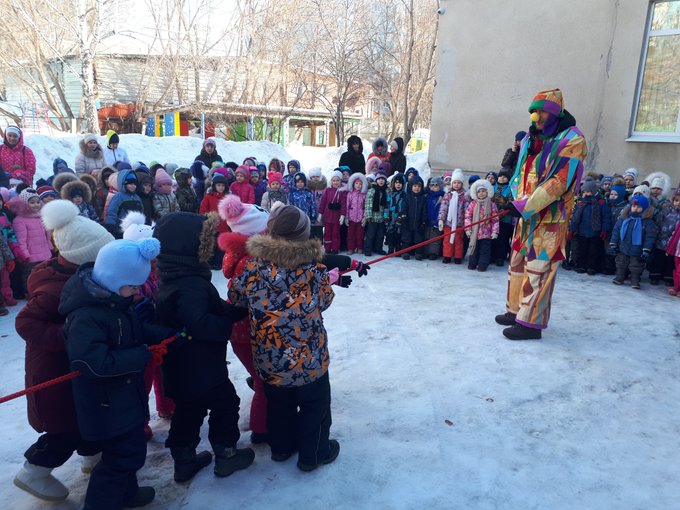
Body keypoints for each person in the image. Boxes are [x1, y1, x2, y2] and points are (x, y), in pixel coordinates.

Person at [59, 238, 170, 510]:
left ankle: (127, 494)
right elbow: (93, 363)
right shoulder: (87, 316)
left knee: (130, 451)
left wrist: (166, 335)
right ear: (112, 279)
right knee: (120, 458)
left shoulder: (116, 303)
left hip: (123, 397)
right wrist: (142, 354)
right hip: (105, 404)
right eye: (132, 286)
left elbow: (136, 331)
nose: (136, 292)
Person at [14, 200, 113, 503]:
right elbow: (25, 323)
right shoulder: (55, 290)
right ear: (84, 257)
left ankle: (94, 456)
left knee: (86, 415)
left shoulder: (75, 277)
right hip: (53, 370)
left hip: (74, 366)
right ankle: (35, 470)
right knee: (65, 426)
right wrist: (69, 335)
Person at [228, 203, 340, 472]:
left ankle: (281, 449)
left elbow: (236, 296)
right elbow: (325, 300)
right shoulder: (315, 270)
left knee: (279, 407)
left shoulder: (252, 266)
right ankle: (313, 455)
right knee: (315, 408)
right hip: (310, 360)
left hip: (271, 358)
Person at [153, 212, 254, 482]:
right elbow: (201, 323)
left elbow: (207, 306)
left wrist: (236, 310)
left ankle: (184, 461)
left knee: (188, 409)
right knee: (226, 404)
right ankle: (227, 455)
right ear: (188, 245)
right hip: (201, 366)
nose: (209, 245)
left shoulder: (175, 275)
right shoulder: (190, 284)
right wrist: (227, 324)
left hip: (180, 366)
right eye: (205, 240)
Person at [496, 88, 587, 340]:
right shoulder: (530, 137)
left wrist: (525, 205)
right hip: (525, 216)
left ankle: (530, 323)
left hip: (550, 218)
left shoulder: (573, 140)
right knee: (517, 264)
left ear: (555, 113)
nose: (535, 117)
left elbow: (559, 182)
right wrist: (510, 198)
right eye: (533, 111)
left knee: (539, 269)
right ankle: (515, 310)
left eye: (541, 112)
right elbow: (520, 172)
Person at [217, 196, 271, 446]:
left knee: (260, 376)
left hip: (241, 330)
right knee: (264, 383)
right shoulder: (253, 262)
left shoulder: (238, 254)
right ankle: (262, 430)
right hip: (252, 330)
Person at [609, 195, 657, 289]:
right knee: (621, 263)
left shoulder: (647, 222)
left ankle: (635, 280)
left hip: (637, 249)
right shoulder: (624, 218)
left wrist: (646, 249)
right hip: (623, 247)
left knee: (636, 266)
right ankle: (619, 277)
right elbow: (616, 231)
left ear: (644, 209)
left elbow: (650, 237)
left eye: (638, 207)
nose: (635, 208)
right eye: (634, 206)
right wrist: (613, 243)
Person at [10, 189, 53, 293]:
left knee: (44, 275)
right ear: (24, 204)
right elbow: (21, 240)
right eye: (32, 202)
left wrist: (50, 247)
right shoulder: (19, 220)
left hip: (45, 253)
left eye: (38, 202)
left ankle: (42, 292)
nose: (36, 205)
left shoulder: (40, 217)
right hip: (31, 256)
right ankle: (30, 293)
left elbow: (46, 235)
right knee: (30, 276)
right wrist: (25, 255)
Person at [567, 178, 611, 275]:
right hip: (582, 232)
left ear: (593, 191)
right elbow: (575, 217)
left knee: (593, 251)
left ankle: (592, 267)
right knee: (582, 250)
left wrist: (604, 230)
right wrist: (572, 229)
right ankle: (582, 266)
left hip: (595, 232)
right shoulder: (581, 203)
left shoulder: (600, 203)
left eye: (588, 192)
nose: (586, 194)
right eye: (584, 192)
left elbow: (606, 217)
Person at [465, 179, 499, 272]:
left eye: (483, 191)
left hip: (486, 233)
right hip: (474, 232)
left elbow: (495, 219)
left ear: (487, 192)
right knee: (474, 249)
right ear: (476, 193)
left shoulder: (491, 204)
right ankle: (472, 263)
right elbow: (468, 216)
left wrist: (495, 231)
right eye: (479, 192)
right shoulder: (473, 204)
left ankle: (482, 265)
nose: (481, 193)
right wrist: (468, 229)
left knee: (485, 250)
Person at [438, 169, 468, 264]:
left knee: (458, 240)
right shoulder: (448, 195)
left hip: (459, 223)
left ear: (462, 184)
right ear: (452, 183)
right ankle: (447, 255)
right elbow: (443, 207)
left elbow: (467, 210)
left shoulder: (465, 196)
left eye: (459, 183)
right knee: (447, 240)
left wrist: (467, 222)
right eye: (454, 182)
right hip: (448, 222)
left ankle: (457, 256)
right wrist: (441, 219)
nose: (456, 185)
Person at [104, 169, 143, 237]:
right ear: (124, 184)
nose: (133, 186)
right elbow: (112, 211)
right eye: (130, 184)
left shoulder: (137, 198)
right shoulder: (119, 197)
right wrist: (110, 225)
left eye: (135, 184)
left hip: (134, 229)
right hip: (120, 229)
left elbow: (141, 211)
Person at [318, 170, 346, 254]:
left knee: (335, 233)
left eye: (337, 180)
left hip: (336, 217)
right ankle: (327, 248)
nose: (335, 182)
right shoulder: (328, 190)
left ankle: (335, 248)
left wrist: (343, 215)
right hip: (327, 216)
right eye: (334, 180)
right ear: (331, 181)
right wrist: (320, 213)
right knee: (327, 233)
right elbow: (323, 202)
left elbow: (344, 204)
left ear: (340, 181)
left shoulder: (342, 191)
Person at [400, 175, 427, 260]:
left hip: (418, 222)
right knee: (406, 237)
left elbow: (424, 211)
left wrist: (423, 221)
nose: (417, 188)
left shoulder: (423, 198)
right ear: (411, 186)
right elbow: (404, 208)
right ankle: (405, 252)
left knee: (418, 238)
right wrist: (404, 217)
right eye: (415, 186)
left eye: (419, 186)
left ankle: (418, 253)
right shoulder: (407, 197)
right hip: (408, 221)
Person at [491, 168, 514, 266]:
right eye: (500, 176)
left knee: (502, 239)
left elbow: (511, 201)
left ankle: (500, 257)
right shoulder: (492, 187)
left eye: (505, 177)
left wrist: (504, 210)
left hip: (504, 219)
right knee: (492, 238)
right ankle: (492, 256)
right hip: (492, 218)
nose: (502, 178)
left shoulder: (510, 189)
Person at [363, 171, 389, 257]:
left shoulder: (386, 191)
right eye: (379, 179)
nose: (381, 181)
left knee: (380, 235)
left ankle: (378, 248)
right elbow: (368, 204)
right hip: (373, 217)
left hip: (382, 218)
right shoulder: (372, 191)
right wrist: (368, 216)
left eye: (383, 179)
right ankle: (367, 249)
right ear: (376, 180)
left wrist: (386, 216)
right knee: (370, 235)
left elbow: (387, 205)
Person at [343, 173, 368, 254]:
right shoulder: (350, 194)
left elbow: (366, 206)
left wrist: (365, 217)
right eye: (356, 183)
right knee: (351, 234)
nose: (358, 185)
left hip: (360, 218)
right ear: (353, 184)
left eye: (360, 184)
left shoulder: (364, 195)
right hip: (351, 217)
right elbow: (347, 205)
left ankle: (359, 247)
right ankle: (351, 248)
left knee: (360, 234)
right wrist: (346, 217)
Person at [424, 177, 445, 260]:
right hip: (428, 221)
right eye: (432, 185)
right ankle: (426, 251)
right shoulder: (428, 196)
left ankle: (433, 253)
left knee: (435, 239)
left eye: (436, 186)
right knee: (427, 237)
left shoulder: (442, 197)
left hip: (437, 221)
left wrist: (439, 220)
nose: (433, 187)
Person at [385, 173, 406, 254]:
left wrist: (401, 217)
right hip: (390, 218)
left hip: (399, 218)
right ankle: (390, 249)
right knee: (390, 234)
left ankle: (398, 249)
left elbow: (404, 208)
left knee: (398, 234)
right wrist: (386, 217)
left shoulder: (404, 196)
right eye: (396, 183)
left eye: (400, 183)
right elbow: (386, 206)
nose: (398, 185)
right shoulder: (390, 194)